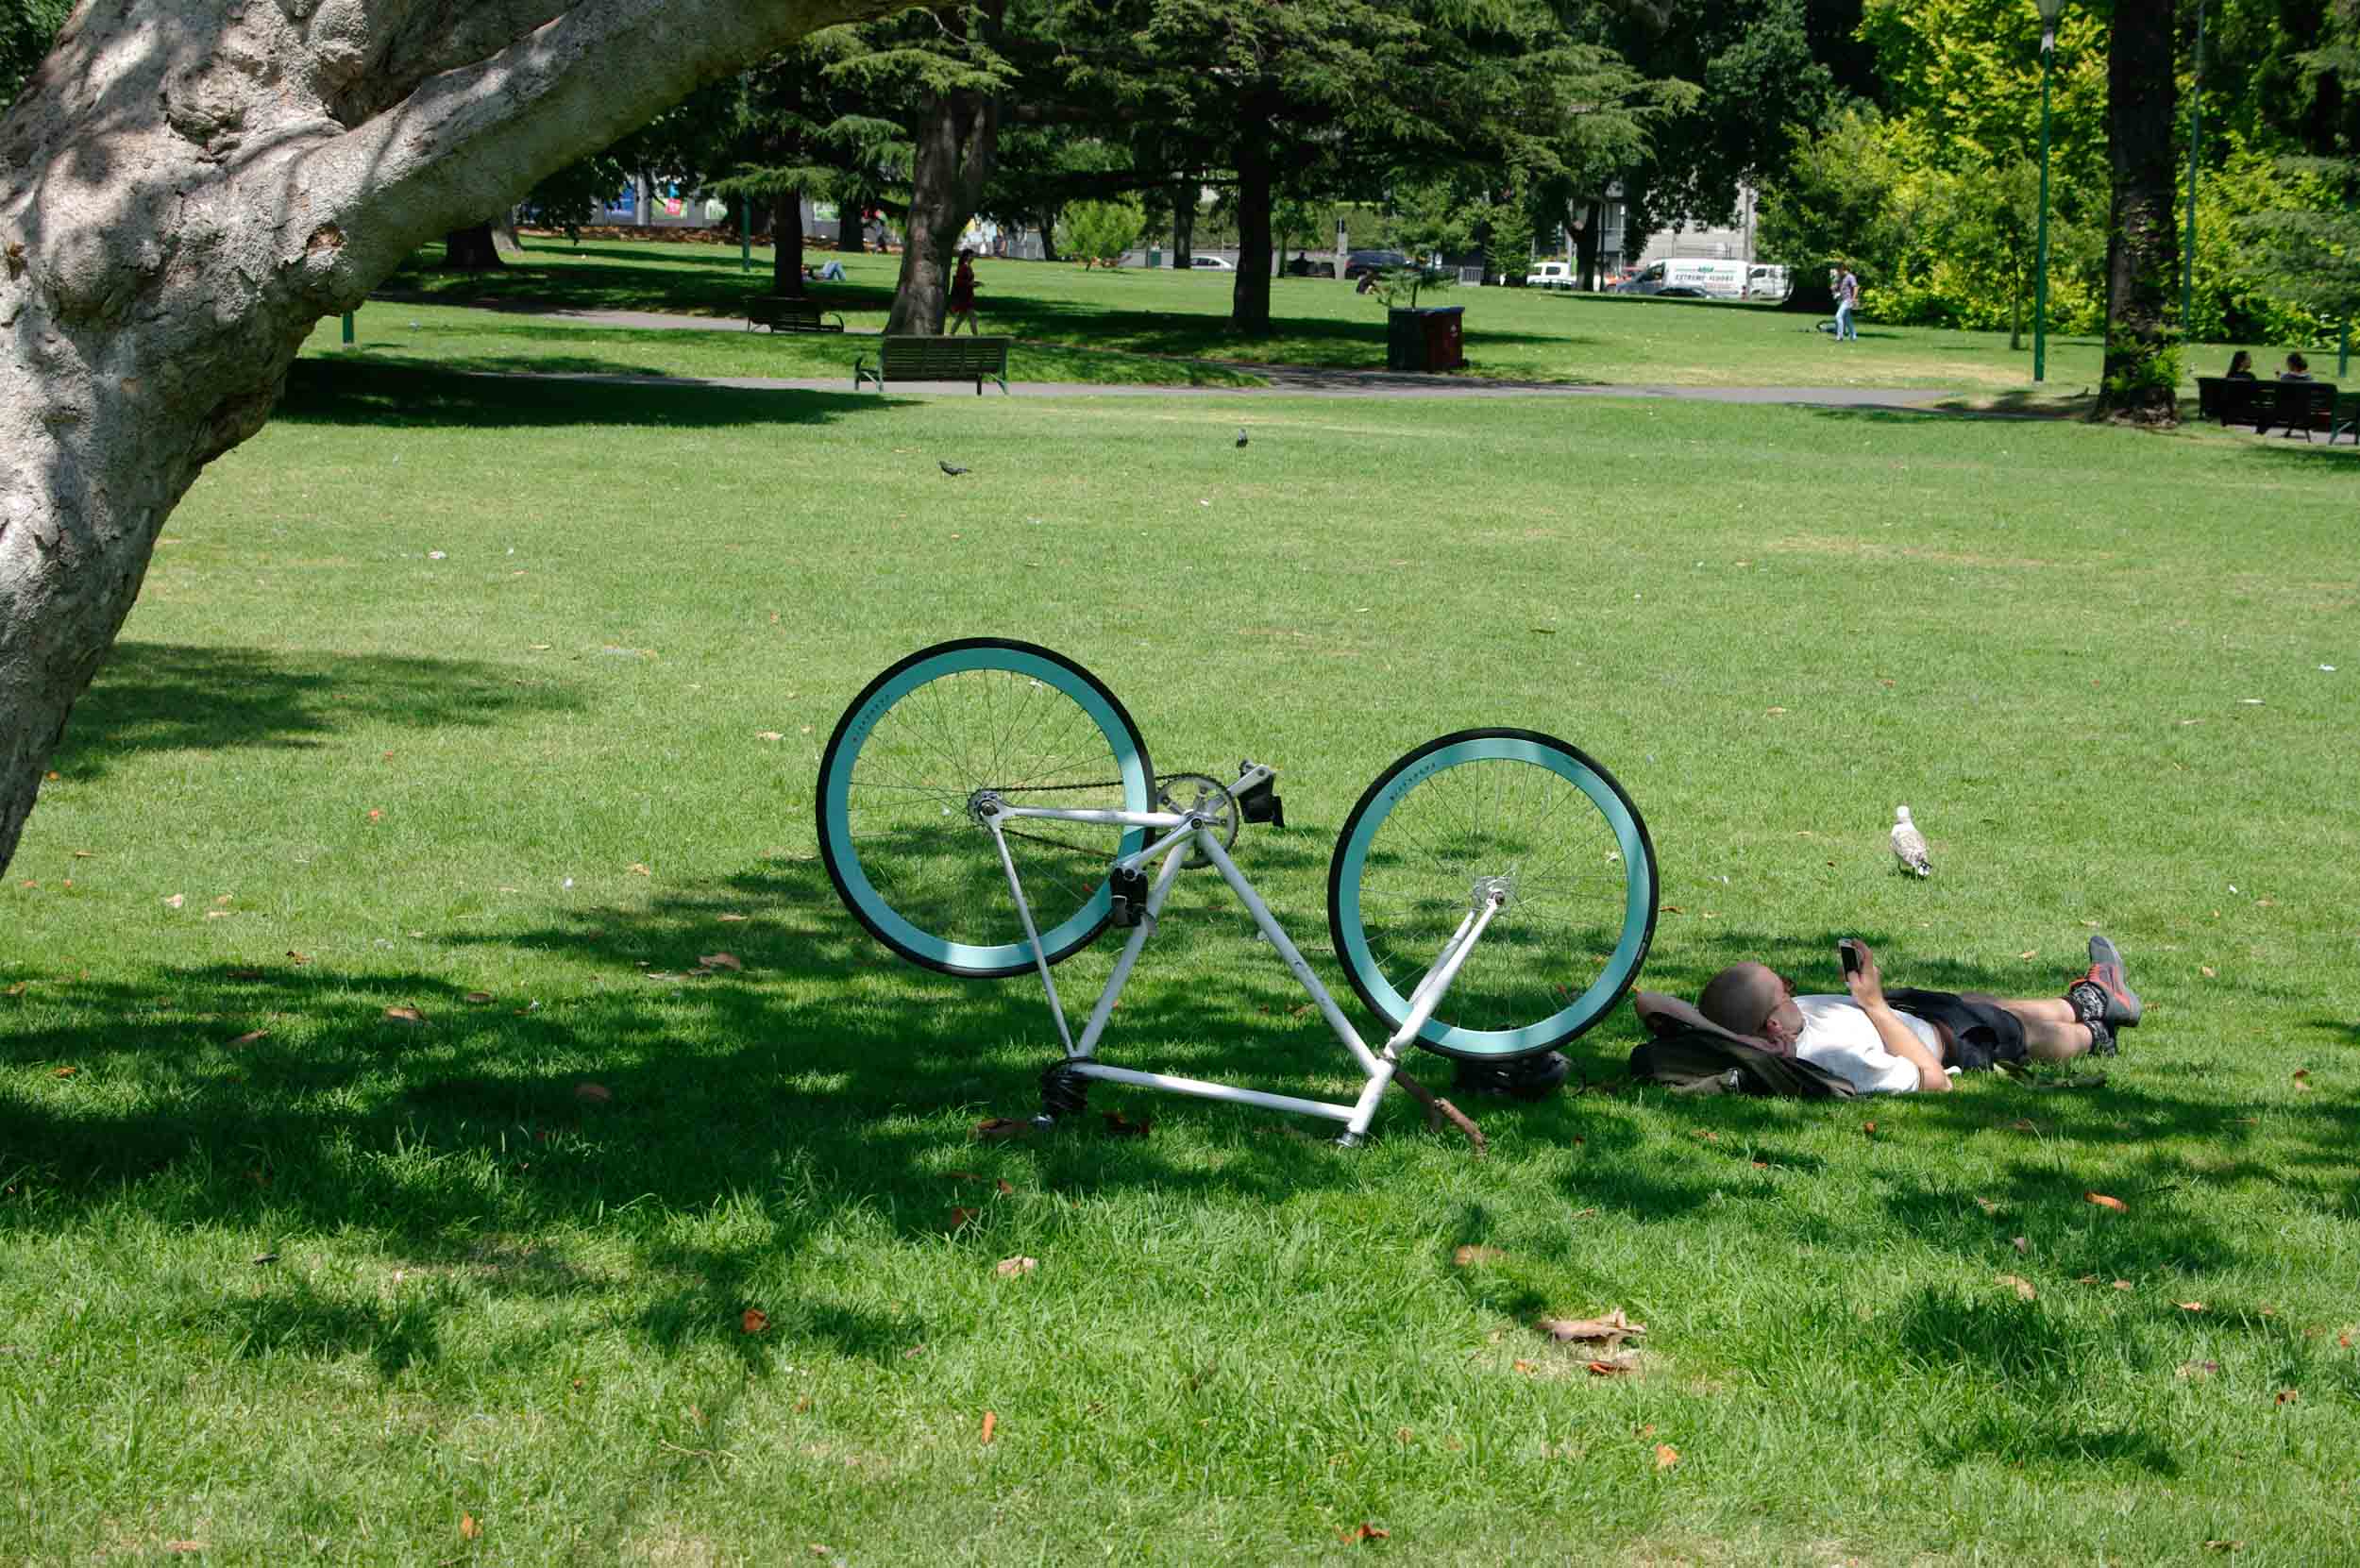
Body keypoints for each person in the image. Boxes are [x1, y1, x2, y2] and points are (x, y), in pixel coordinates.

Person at [1695, 935, 2144, 1095]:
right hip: (1951, 1040)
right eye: (1784, 990)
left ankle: (2091, 998)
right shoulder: (1836, 1059)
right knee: (2025, 1033)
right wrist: (1872, 1004)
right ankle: (2095, 1030)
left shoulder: (1772, 1027)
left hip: (1908, 1009)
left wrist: (1873, 994)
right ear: (1773, 1023)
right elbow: (1934, 1081)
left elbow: (1653, 1003)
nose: (1793, 988)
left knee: (1978, 999)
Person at [945, 249, 979, 335]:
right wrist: (971, 284)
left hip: (968, 296)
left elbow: (966, 280)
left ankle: (951, 335)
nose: (973, 258)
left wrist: (974, 283)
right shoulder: (963, 267)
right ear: (966, 257)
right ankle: (977, 338)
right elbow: (959, 282)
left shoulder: (968, 267)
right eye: (971, 256)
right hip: (964, 297)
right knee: (973, 318)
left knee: (960, 318)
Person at [1833, 262, 1860, 343]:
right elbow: (1839, 288)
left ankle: (1840, 336)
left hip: (1848, 300)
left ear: (1843, 269)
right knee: (1848, 320)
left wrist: (1853, 299)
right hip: (1842, 300)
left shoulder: (1850, 277)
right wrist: (1834, 288)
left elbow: (1855, 287)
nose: (1838, 272)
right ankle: (1854, 336)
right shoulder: (1841, 277)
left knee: (1838, 316)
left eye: (1839, 270)